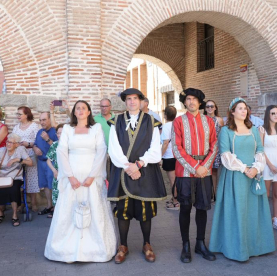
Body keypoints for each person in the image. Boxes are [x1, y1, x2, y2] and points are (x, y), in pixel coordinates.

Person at [44, 100, 117, 263]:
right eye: (78, 108)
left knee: (93, 207)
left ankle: (95, 249)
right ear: (74, 112)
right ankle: (64, 249)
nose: (81, 110)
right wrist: (70, 176)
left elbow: (101, 151)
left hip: (92, 175)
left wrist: (92, 175)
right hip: (73, 176)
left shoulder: (96, 128)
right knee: (70, 209)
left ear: (89, 112)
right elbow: (62, 152)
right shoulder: (68, 129)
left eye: (84, 108)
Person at [209, 97, 275, 261]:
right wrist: (244, 169)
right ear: (232, 112)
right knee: (236, 210)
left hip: (253, 175)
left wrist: (256, 168)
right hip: (234, 176)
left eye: (245, 108)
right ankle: (235, 248)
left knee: (253, 211)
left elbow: (260, 149)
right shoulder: (226, 131)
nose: (243, 111)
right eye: (240, 108)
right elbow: (225, 154)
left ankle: (256, 245)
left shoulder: (253, 130)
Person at [108, 88, 166, 264]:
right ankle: (123, 245)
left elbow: (156, 149)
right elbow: (113, 147)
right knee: (122, 212)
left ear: (141, 101)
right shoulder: (116, 121)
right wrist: (128, 167)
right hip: (124, 171)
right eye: (128, 99)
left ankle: (147, 244)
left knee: (145, 212)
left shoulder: (151, 121)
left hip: (145, 171)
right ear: (125, 102)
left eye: (135, 98)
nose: (132, 102)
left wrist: (139, 164)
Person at [172, 88, 217, 263]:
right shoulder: (178, 121)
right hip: (185, 172)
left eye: (194, 99)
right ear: (184, 102)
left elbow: (214, 145)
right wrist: (195, 167)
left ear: (200, 103)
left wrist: (204, 167)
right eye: (188, 99)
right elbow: (177, 148)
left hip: (204, 172)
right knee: (184, 208)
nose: (191, 102)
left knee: (202, 208)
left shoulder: (209, 121)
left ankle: (200, 243)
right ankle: (185, 245)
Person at [0, 134, 33, 227]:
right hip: (1, 178)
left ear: (17, 144)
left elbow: (30, 162)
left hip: (15, 178)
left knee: (13, 190)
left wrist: (18, 160)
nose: (8, 144)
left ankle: (15, 215)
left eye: (11, 142)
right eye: (7, 141)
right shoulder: (1, 151)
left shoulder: (20, 150)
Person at [259, 105, 277, 232]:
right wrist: (270, 165)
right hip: (266, 163)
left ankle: (276, 219)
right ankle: (263, 220)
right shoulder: (262, 129)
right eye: (273, 113)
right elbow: (260, 149)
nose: (276, 116)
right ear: (267, 115)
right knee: (266, 193)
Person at [12, 106, 40, 211]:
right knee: (20, 178)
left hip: (30, 154)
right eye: (17, 114)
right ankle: (22, 202)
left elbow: (38, 141)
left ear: (27, 115)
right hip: (19, 155)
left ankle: (34, 203)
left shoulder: (34, 126)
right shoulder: (16, 127)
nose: (18, 116)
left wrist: (28, 143)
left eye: (20, 114)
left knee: (32, 178)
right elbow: (12, 139)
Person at [33, 112, 58, 216]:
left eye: (44, 120)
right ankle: (49, 206)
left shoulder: (55, 132)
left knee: (53, 185)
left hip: (51, 163)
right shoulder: (39, 132)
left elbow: (58, 147)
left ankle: (56, 208)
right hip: (41, 162)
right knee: (45, 185)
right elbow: (34, 144)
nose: (42, 122)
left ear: (49, 120)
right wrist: (35, 148)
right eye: (40, 120)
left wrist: (47, 139)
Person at [203, 100, 224, 200]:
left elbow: (223, 135)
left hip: (216, 149)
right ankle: (207, 195)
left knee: (214, 172)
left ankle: (215, 195)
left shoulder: (219, 120)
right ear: (205, 108)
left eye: (212, 106)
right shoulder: (202, 119)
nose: (210, 108)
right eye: (208, 106)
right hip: (204, 149)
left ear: (215, 108)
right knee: (205, 172)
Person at [161, 106, 179, 210]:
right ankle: (174, 198)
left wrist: (160, 156)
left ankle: (176, 202)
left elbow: (165, 143)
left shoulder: (166, 126)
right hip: (178, 156)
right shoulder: (178, 124)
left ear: (165, 115)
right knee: (177, 180)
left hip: (169, 156)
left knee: (173, 181)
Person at [45, 123, 65, 218]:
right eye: (58, 133)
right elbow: (48, 160)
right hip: (58, 174)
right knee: (57, 197)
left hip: (69, 175)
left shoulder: (72, 145)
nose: (59, 135)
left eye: (62, 133)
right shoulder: (55, 144)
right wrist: (54, 170)